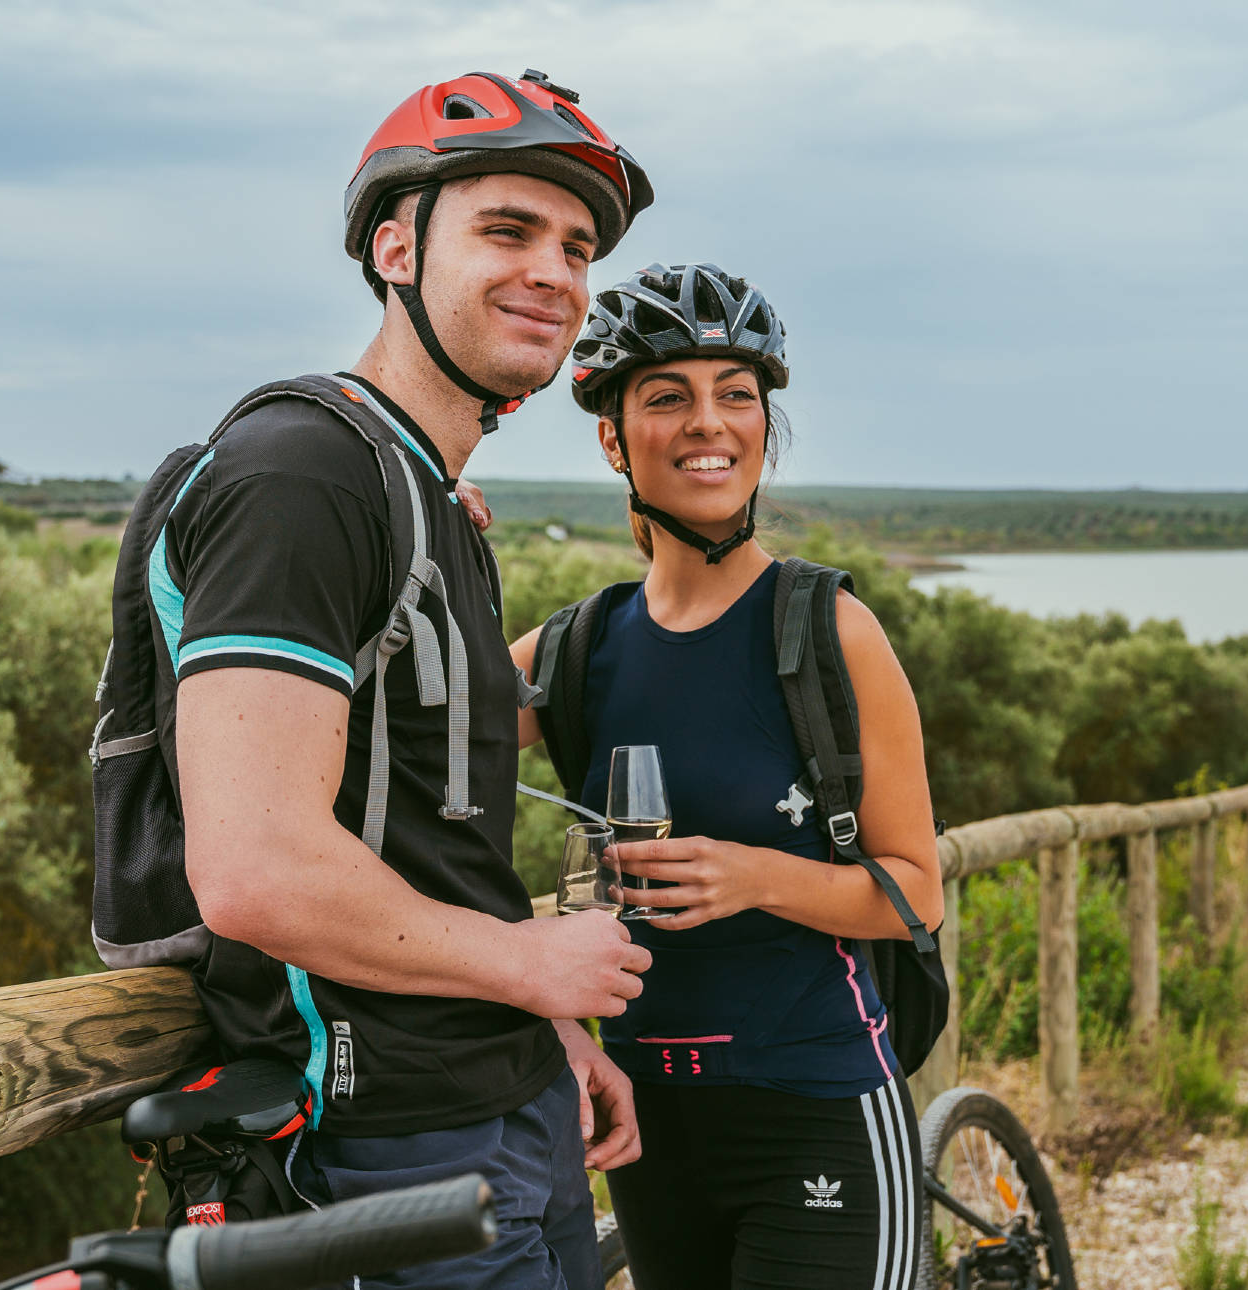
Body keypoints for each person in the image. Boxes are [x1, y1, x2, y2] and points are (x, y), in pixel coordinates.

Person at [164, 71, 653, 1289]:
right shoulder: (303, 475)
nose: (554, 273)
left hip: (503, 1096)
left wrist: (544, 1026)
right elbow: (255, 867)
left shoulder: (432, 497)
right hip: (383, 1140)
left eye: (576, 248)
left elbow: (432, 832)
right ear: (395, 249)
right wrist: (528, 965)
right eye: (508, 230)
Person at [511, 263, 945, 1290]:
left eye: (736, 395)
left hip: (819, 1103)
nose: (709, 423)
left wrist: (753, 877)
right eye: (669, 396)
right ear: (613, 439)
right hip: (646, 1116)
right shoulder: (575, 650)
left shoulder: (828, 630)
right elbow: (407, 747)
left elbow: (915, 891)